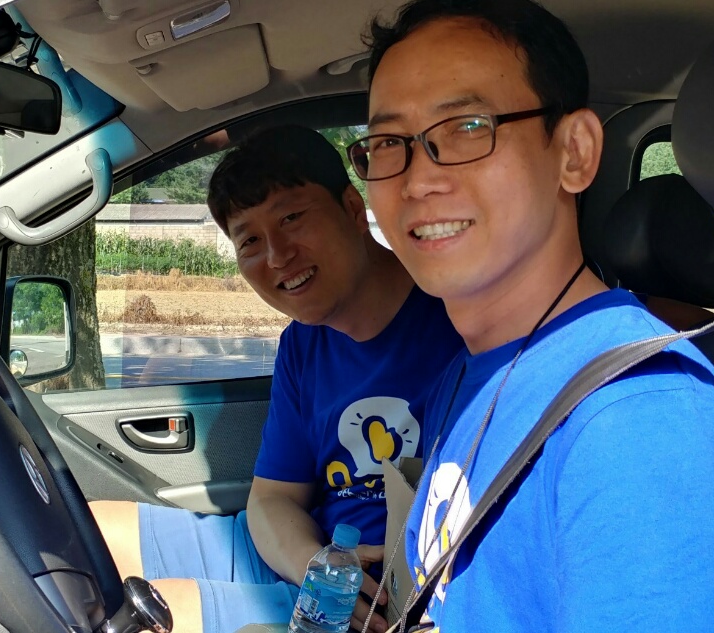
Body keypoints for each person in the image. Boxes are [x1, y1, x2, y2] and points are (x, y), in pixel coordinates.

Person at [349, 0, 714, 633]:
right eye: (385, 142)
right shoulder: (471, 373)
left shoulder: (638, 419)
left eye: (467, 127)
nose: (417, 179)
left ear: (573, 153)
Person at [91, 125, 460, 633]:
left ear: (353, 209)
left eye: (291, 218)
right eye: (250, 240)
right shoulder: (303, 344)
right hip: (311, 560)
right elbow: (273, 497)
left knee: (148, 617)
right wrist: (314, 564)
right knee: (84, 531)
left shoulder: (457, 327)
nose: (277, 256)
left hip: (377, 598)